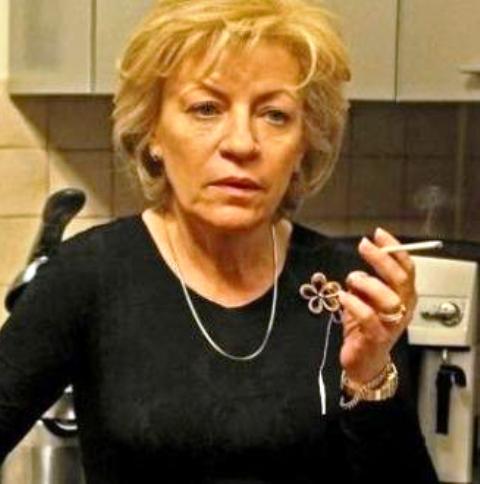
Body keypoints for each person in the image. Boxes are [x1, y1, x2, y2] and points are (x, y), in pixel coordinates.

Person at [0, 0, 439, 483]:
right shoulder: (90, 276)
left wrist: (371, 375)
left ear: (303, 145)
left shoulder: (347, 291)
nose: (242, 144)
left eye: (274, 115)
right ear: (153, 132)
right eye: (206, 109)